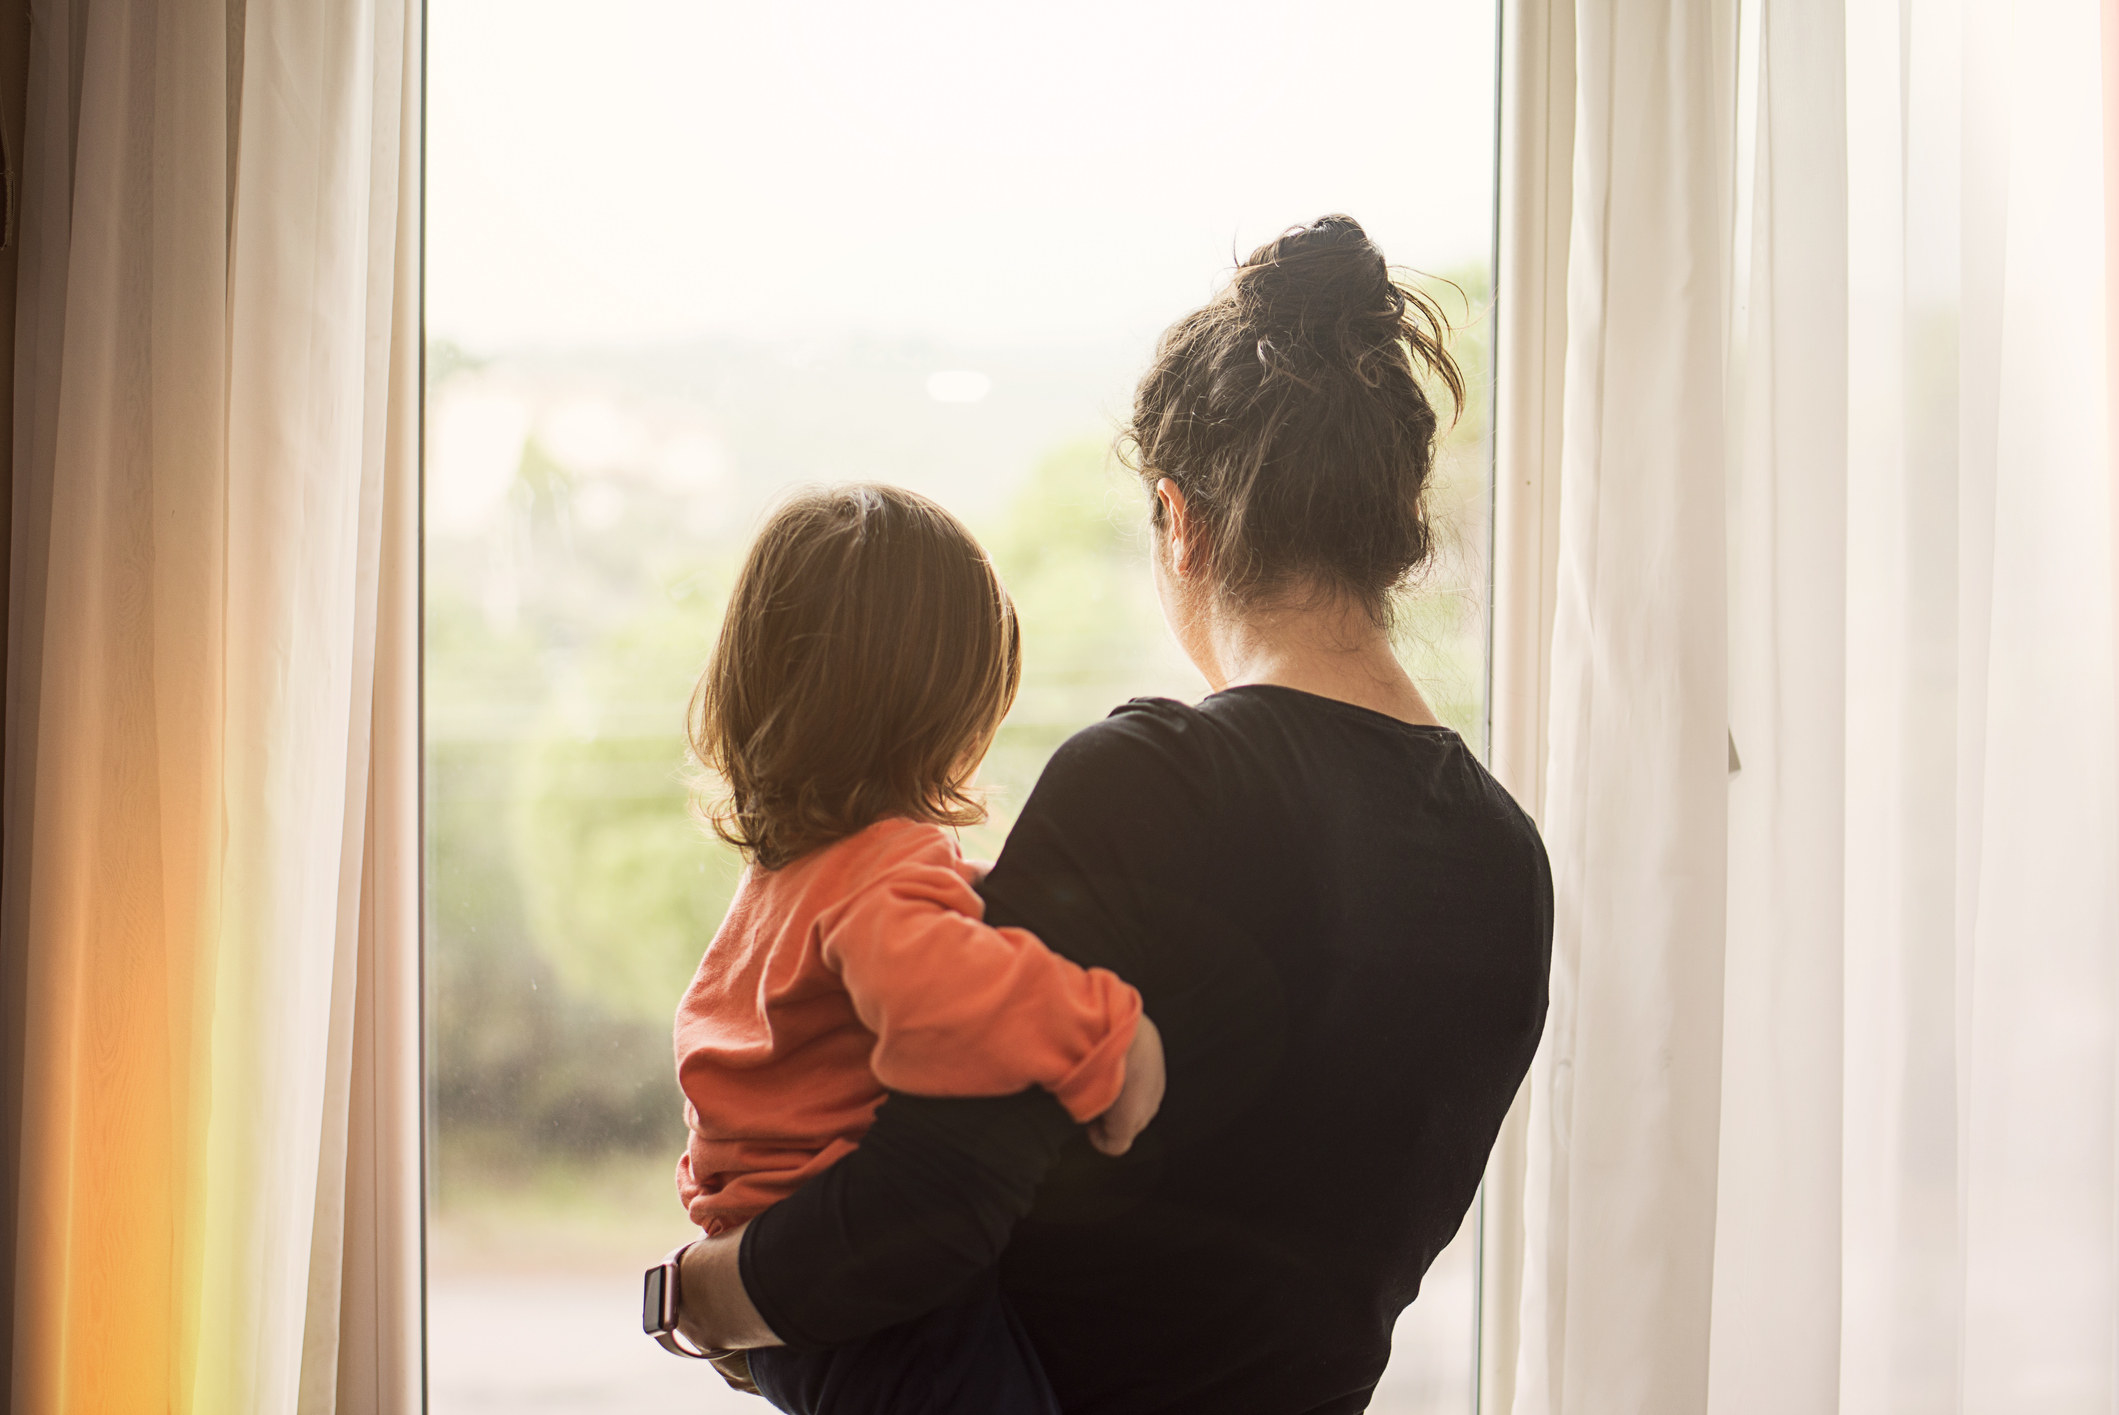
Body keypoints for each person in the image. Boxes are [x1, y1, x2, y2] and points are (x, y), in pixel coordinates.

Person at [675, 215, 1555, 1415]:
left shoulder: (1156, 780)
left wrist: (699, 1292)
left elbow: (927, 1201)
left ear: (1178, 518)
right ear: (1384, 526)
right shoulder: (1506, 860)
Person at [668, 484, 1167, 1410]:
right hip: (884, 1315)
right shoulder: (880, 879)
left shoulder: (787, 880)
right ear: (946, 716)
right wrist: (1106, 1036)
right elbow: (959, 1003)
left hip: (787, 1305)